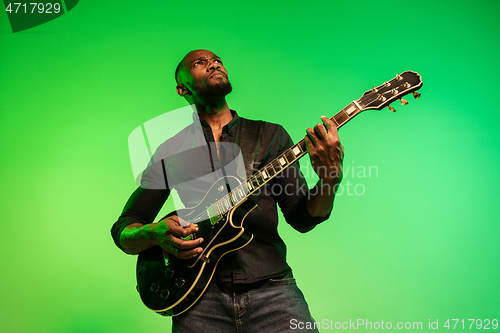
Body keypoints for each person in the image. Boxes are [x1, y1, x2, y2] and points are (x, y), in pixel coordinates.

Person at [111, 49, 344, 332]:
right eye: (200, 63)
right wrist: (153, 233)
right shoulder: (170, 151)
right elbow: (125, 227)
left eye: (217, 60)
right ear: (182, 88)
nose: (213, 64)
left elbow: (302, 218)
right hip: (197, 299)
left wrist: (329, 178)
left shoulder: (269, 136)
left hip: (274, 293)